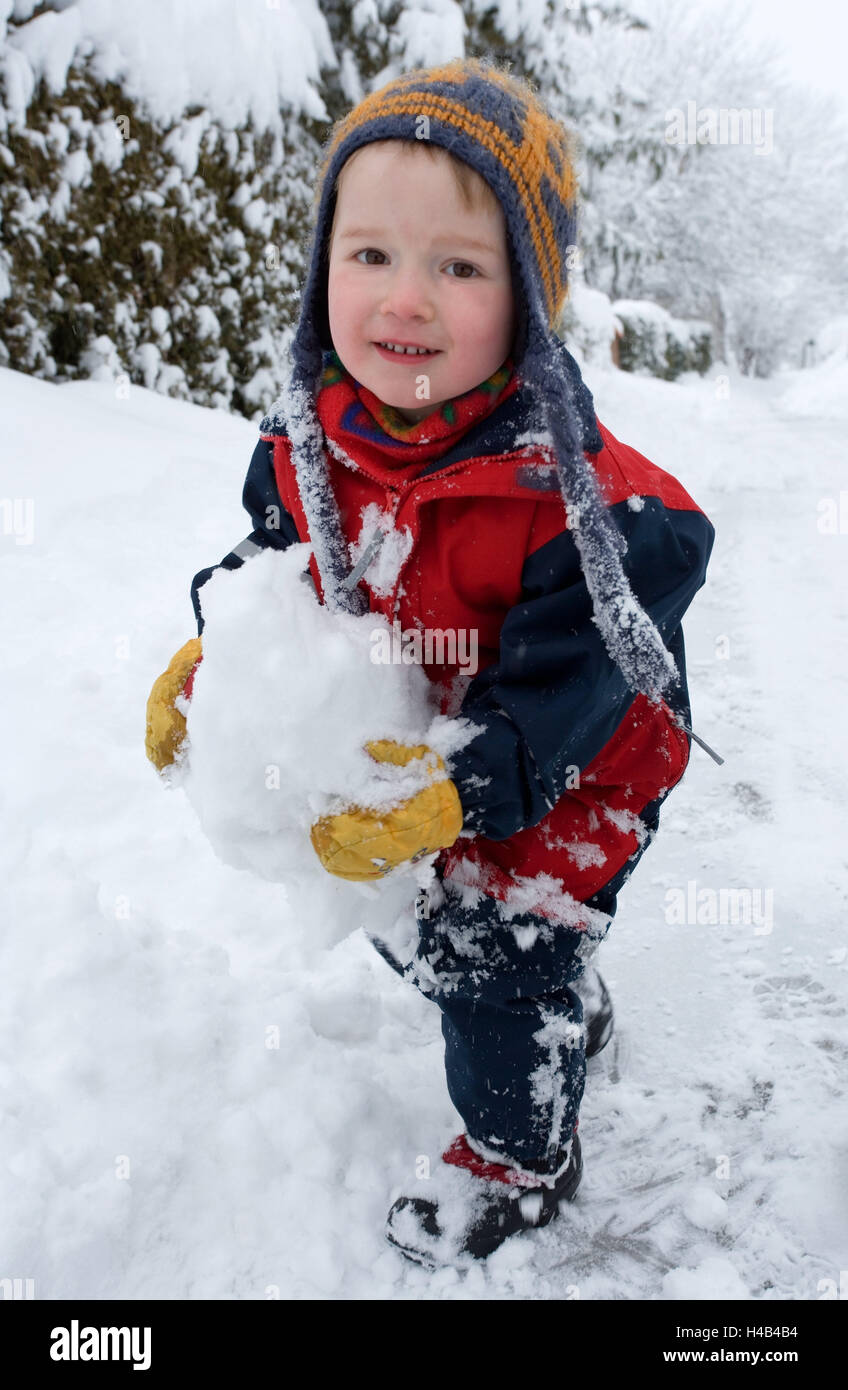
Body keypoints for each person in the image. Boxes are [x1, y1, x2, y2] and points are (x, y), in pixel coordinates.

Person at [145, 56, 715, 1266]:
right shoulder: (306, 443)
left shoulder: (585, 506)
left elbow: (579, 684)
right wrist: (214, 662)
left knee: (492, 960)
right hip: (414, 754)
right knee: (408, 921)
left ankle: (518, 1156)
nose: (404, 299)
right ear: (322, 272)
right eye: (370, 257)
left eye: (457, 267)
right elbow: (275, 574)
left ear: (524, 299)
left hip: (563, 774)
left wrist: (468, 787)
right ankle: (562, 1002)